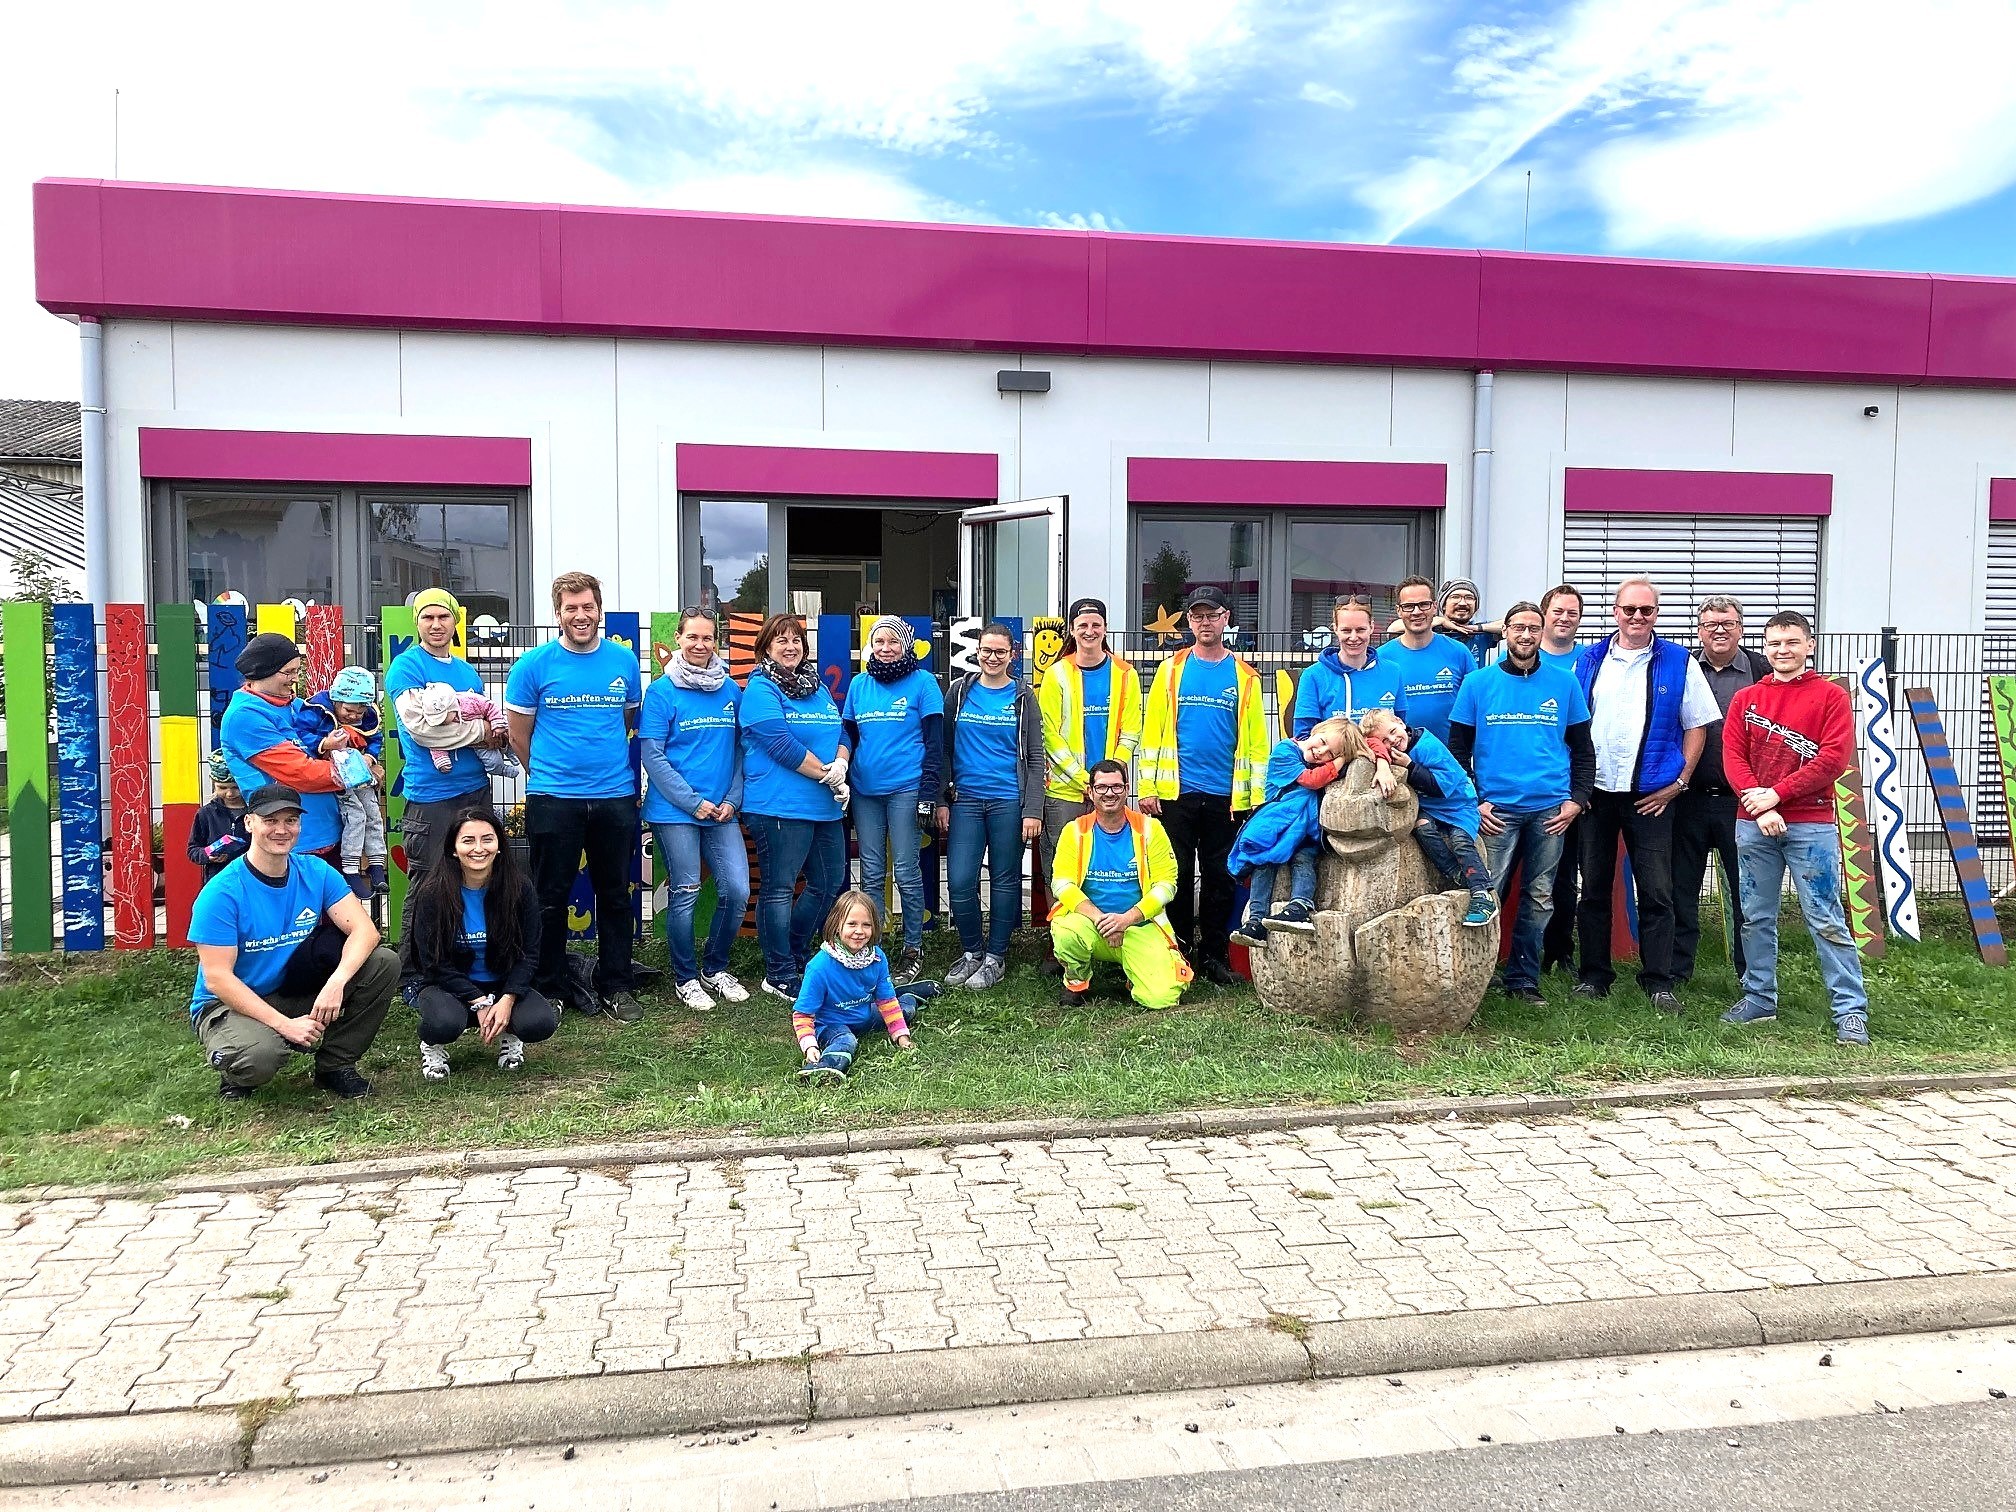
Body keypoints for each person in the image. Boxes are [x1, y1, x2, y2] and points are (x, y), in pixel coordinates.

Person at [187, 783, 399, 1101]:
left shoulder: (315, 871)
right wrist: (285, 1026)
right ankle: (237, 1067)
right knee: (259, 1057)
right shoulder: (222, 893)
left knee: (383, 963)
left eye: (291, 820)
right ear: (249, 823)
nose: (281, 830)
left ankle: (335, 1066)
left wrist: (336, 983)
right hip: (228, 1002)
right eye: (270, 820)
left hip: (287, 988)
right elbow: (218, 979)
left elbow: (365, 931)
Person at [1570, 577, 1722, 1012]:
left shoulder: (1679, 661)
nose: (1637, 617)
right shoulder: (1589, 659)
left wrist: (1679, 783)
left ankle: (1658, 981)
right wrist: (1579, 786)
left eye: (1646, 610)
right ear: (1615, 611)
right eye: (1629, 609)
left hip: (1653, 797)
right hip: (1598, 794)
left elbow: (1697, 724)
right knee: (1594, 889)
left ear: (1656, 614)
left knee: (1657, 892)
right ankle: (1594, 977)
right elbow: (1574, 725)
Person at [1719, 612, 1868, 1045]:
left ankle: (1850, 1011)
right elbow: (1733, 757)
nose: (1782, 650)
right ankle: (1759, 998)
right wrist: (1760, 805)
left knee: (1826, 918)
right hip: (1753, 824)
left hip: (1811, 826)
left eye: (1791, 642)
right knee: (1755, 916)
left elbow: (1832, 759)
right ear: (1764, 648)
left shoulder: (1830, 697)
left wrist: (1776, 795)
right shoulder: (1746, 698)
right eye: (1774, 643)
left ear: (1809, 645)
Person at [504, 571, 644, 1024]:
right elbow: (518, 736)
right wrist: (550, 776)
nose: (580, 616)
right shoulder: (532, 666)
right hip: (553, 798)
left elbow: (626, 720)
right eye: (571, 608)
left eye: (588, 607)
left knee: (615, 896)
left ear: (599, 610)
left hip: (615, 796)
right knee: (549, 896)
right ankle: (549, 986)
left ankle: (617, 985)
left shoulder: (623, 662)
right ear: (557, 613)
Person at [1447, 601, 1595, 1001]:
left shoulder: (1565, 683)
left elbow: (1583, 749)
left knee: (1540, 897)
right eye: (1518, 628)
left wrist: (1577, 799)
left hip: (1551, 810)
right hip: (1495, 810)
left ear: (1541, 632)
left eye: (1533, 628)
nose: (1526, 635)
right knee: (1487, 893)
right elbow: (1458, 750)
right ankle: (1474, 979)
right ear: (1506, 633)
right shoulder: (1477, 683)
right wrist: (1475, 801)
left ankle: (1523, 980)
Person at [1137, 586, 1270, 985]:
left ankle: (1213, 955)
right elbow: (1152, 731)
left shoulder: (1245, 677)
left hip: (1225, 798)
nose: (1205, 622)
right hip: (1175, 795)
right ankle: (1176, 951)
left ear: (1226, 618)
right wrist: (1147, 787)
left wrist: (1256, 798)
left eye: (1212, 615)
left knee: (1219, 879)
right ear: (1189, 621)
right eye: (1197, 616)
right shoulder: (1171, 669)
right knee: (1174, 875)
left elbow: (1257, 744)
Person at [641, 607, 749, 1012]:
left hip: (721, 811)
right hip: (675, 811)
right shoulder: (661, 692)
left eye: (707, 638)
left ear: (716, 641)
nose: (700, 645)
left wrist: (731, 799)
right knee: (686, 889)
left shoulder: (730, 691)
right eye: (692, 637)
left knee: (736, 890)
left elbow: (740, 750)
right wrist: (692, 802)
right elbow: (653, 755)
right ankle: (685, 977)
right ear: (679, 639)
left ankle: (714, 968)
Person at [739, 613, 850, 1002]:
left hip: (823, 805)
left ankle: (797, 954)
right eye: (781, 640)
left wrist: (841, 763)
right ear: (765, 647)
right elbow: (780, 744)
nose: (790, 647)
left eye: (796, 640)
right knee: (780, 888)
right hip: (779, 807)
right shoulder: (761, 689)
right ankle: (779, 972)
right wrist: (829, 775)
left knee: (828, 882)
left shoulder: (816, 688)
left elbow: (841, 731)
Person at [386, 589, 500, 953]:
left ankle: (463, 958)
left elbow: (481, 716)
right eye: (427, 617)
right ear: (417, 622)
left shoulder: (467, 671)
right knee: (427, 882)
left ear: (456, 621)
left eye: (443, 617)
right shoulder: (407, 667)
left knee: (475, 880)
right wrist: (480, 732)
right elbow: (421, 730)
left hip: (476, 789)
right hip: (431, 795)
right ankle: (411, 968)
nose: (436, 625)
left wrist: (487, 731)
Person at [408, 807, 558, 1080]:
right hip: (449, 986)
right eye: (468, 841)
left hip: (501, 983)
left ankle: (510, 1033)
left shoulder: (520, 887)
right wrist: (478, 1001)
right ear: (454, 849)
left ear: (499, 845)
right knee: (444, 1023)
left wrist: (508, 998)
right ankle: (432, 1044)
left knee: (540, 1022)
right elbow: (432, 962)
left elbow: (529, 954)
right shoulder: (432, 893)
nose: (479, 849)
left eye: (487, 839)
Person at [1671, 595, 1773, 986]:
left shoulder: (1761, 671)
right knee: (1681, 892)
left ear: (1740, 628)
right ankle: (1676, 974)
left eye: (1727, 623)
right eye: (1711, 623)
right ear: (1699, 630)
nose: (1719, 630)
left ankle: (1752, 977)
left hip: (1743, 802)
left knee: (1749, 894)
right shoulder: (1682, 668)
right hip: (1688, 798)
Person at [938, 622, 1044, 990]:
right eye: (987, 650)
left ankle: (996, 956)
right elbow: (944, 750)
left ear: (1013, 655)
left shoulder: (1024, 697)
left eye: (1000, 651)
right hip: (966, 800)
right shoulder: (959, 692)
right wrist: (942, 799)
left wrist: (1032, 809)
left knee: (1004, 879)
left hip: (1008, 801)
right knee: (960, 880)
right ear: (977, 652)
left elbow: (1034, 756)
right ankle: (972, 952)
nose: (993, 657)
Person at [842, 616, 944, 983]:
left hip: (907, 788)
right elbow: (848, 735)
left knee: (905, 870)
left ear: (906, 646)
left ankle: (913, 947)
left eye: (893, 642)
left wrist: (929, 794)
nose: (886, 649)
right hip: (865, 791)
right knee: (870, 872)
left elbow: (935, 744)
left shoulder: (923, 682)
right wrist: (841, 771)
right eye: (879, 642)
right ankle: (872, 949)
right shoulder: (859, 684)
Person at [1048, 760, 1194, 1009]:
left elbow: (1166, 885)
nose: (1109, 793)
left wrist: (1126, 919)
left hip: (1140, 925)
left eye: (1116, 786)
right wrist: (1102, 920)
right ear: (1090, 791)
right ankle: (1076, 982)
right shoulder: (1074, 831)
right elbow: (1062, 884)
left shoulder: (1151, 829)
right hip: (1092, 924)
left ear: (1127, 789)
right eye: (1101, 787)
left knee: (1162, 998)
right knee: (1065, 932)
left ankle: (1135, 974)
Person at [1228, 717, 1380, 946]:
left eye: (1330, 753)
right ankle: (1256, 921)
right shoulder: (1285, 751)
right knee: (1263, 862)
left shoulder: (1322, 764)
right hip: (1277, 825)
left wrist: (1376, 762)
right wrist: (1340, 759)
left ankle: (1300, 906)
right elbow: (1311, 781)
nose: (1321, 752)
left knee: (1304, 858)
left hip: (1304, 830)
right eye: (1322, 742)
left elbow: (1373, 745)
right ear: (1316, 730)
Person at [1036, 597, 1142, 909]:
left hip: (1109, 790)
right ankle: (1061, 931)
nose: (1089, 631)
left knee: (1106, 863)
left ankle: (1105, 925)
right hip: (1065, 791)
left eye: (1096, 624)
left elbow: (1131, 730)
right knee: (1060, 865)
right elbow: (1049, 735)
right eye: (1082, 625)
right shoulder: (1056, 674)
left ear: (1105, 629)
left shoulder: (1126, 674)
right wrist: (1085, 780)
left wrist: (1109, 778)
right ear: (1072, 630)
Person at [1362, 709, 1497, 927]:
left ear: (1400, 722)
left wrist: (1410, 766)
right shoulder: (1393, 751)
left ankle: (1482, 893)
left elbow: (1440, 787)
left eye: (1393, 732)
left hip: (1458, 804)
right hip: (1431, 808)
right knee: (1421, 827)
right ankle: (1455, 873)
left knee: (1460, 841)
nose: (1392, 741)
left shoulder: (1427, 746)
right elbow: (1367, 745)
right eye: (1384, 740)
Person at [217, 632, 345, 861]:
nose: (295, 678)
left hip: (328, 836)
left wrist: (367, 754)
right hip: (287, 844)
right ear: (262, 672)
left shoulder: (296, 706)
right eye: (288, 672)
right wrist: (358, 771)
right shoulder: (245, 716)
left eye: (297, 671)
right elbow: (302, 774)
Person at [792, 891, 934, 1084]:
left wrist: (903, 1038)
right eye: (852, 924)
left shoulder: (877, 957)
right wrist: (810, 1047)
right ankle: (822, 1069)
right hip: (830, 1024)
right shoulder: (819, 967)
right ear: (836, 925)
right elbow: (802, 1015)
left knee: (905, 1011)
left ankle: (908, 995)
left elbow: (886, 1002)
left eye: (866, 925)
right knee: (847, 1040)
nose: (859, 931)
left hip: (864, 1015)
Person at [297, 666, 388, 902]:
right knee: (356, 816)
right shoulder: (316, 710)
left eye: (360, 712)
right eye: (348, 710)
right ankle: (351, 869)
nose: (354, 717)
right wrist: (324, 744)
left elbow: (375, 738)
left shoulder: (366, 716)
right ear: (336, 700)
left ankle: (376, 864)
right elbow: (301, 734)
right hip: (335, 774)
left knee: (373, 813)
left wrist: (371, 757)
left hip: (359, 771)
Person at [1536, 583, 1587, 972]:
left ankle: (1561, 950)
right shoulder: (1517, 656)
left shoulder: (1590, 661)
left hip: (1575, 782)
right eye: (1558, 611)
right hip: (1530, 784)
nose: (1564, 619)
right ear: (1544, 615)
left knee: (1566, 874)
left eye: (1572, 613)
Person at [1293, 596, 1408, 737]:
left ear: (1371, 627)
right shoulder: (1313, 676)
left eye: (1360, 630)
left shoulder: (1392, 671)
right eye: (1346, 630)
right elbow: (1303, 735)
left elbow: (1401, 725)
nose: (1353, 637)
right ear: (1335, 629)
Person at [1380, 575, 1474, 744]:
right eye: (1409, 606)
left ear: (1434, 607)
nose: (1417, 612)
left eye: (1424, 604)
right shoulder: (1382, 657)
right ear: (1398, 610)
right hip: (1398, 754)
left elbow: (1475, 704)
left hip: (1450, 755)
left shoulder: (1459, 652)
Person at [188, 749, 250, 881]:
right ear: (213, 784)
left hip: (250, 877)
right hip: (218, 879)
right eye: (222, 788)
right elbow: (193, 849)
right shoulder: (206, 813)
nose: (230, 794)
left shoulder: (256, 812)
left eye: (236, 787)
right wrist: (207, 855)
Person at [1435, 577, 1501, 667]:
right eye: (1455, 597)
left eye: (1469, 598)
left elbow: (1513, 624)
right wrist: (1440, 621)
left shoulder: (1480, 635)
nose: (1462, 603)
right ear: (1443, 605)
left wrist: (1479, 628)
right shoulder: (1431, 633)